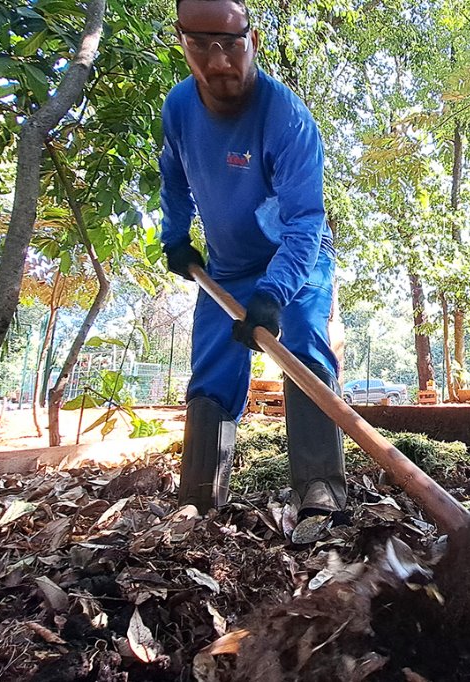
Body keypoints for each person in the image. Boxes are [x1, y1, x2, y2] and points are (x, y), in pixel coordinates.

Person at [159, 0, 345, 521]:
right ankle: (199, 495)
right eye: (202, 45)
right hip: (227, 268)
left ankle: (319, 489)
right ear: (183, 43)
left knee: (305, 344)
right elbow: (173, 176)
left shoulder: (288, 118)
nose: (219, 61)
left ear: (253, 40)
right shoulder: (177, 109)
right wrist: (175, 236)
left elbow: (306, 221)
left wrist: (274, 294)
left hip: (297, 263)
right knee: (213, 364)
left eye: (231, 45)